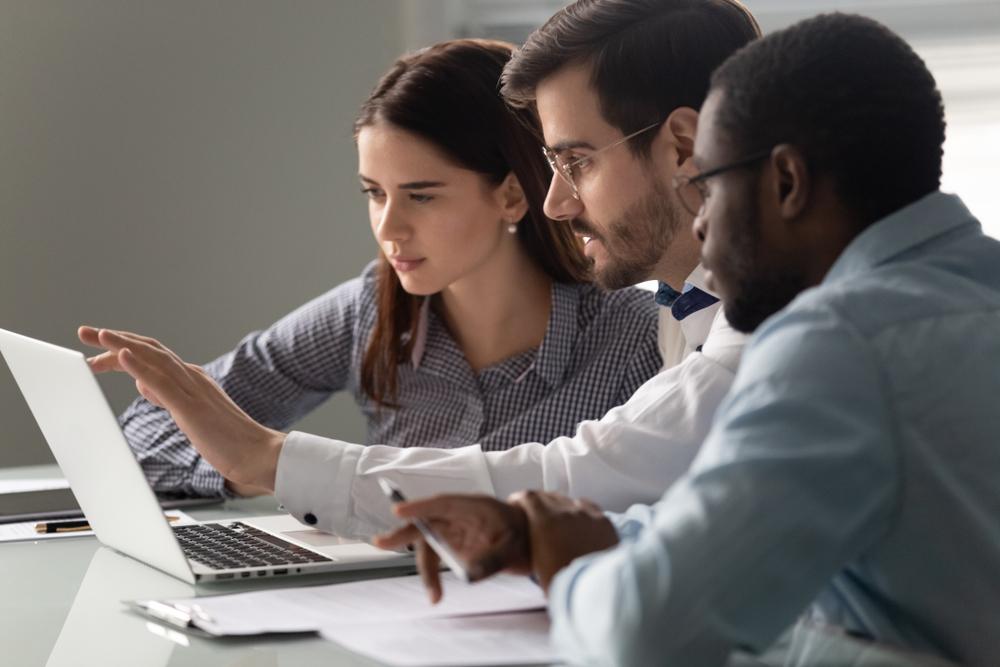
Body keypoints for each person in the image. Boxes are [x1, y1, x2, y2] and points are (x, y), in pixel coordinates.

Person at [376, 13, 1000, 667]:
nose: (699, 220)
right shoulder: (961, 299)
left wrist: (569, 573)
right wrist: (555, 537)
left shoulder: (838, 342)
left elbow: (645, 631)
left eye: (710, 185)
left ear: (786, 183)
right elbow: (751, 533)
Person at [80, 0, 760, 539]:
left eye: (577, 161)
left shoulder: (690, 332)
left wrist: (270, 459)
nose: (388, 228)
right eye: (373, 193)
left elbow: (579, 474)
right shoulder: (692, 315)